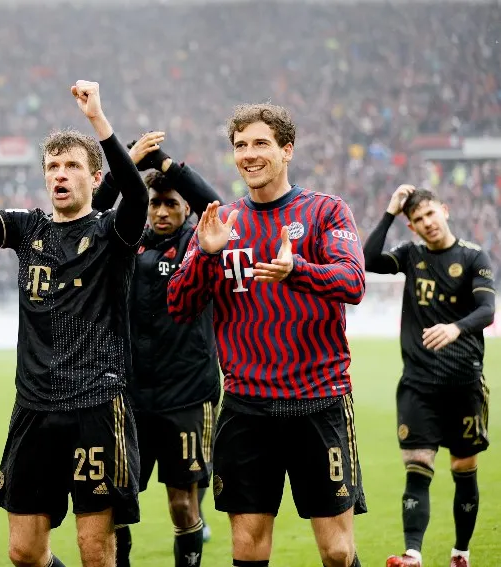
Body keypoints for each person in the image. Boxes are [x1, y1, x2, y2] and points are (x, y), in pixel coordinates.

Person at [0, 80, 147, 567]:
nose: (60, 175)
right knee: (24, 552)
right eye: (52, 167)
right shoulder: (29, 229)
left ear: (94, 176)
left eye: (71, 166)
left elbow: (135, 191)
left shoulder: (112, 232)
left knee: (95, 549)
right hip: (34, 407)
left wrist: (98, 120)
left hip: (96, 403)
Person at [167, 104, 367, 567]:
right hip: (247, 409)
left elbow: (352, 282)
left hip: (319, 401)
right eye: (240, 145)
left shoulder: (326, 211)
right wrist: (206, 256)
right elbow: (179, 305)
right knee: (248, 548)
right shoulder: (220, 223)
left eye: (261, 143)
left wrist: (297, 269)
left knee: (337, 552)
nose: (249, 154)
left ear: (287, 150)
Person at [92, 131, 223, 567]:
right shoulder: (127, 241)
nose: (162, 210)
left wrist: (165, 163)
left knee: (184, 506)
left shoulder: (197, 244)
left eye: (171, 203)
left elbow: (214, 206)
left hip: (185, 394)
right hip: (128, 396)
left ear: (185, 208)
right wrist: (127, 162)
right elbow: (91, 211)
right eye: (155, 203)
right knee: (118, 505)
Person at [364, 185, 495, 567]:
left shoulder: (474, 257)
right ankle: (413, 554)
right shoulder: (410, 254)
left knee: (462, 470)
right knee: (417, 469)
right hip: (418, 386)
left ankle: (461, 553)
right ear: (413, 226)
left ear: (445, 210)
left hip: (464, 384)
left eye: (430, 214)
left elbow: (487, 310)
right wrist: (389, 211)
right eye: (417, 219)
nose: (426, 223)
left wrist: (455, 328)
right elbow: (369, 259)